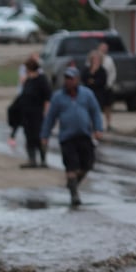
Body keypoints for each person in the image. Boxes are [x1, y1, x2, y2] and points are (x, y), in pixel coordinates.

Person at [40, 66, 104, 207]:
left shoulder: (87, 94)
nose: (68, 81)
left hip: (84, 135)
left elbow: (95, 112)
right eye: (66, 78)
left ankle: (72, 183)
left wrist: (98, 129)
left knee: (87, 164)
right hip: (67, 138)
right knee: (71, 166)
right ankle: (74, 195)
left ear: (77, 80)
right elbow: (50, 117)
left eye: (71, 79)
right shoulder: (58, 97)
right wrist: (45, 135)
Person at [13, 57, 52, 168]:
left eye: (26, 68)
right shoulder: (28, 81)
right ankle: (32, 160)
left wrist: (46, 113)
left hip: (38, 114)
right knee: (29, 136)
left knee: (39, 137)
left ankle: (43, 160)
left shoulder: (42, 80)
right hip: (27, 114)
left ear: (30, 68)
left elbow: (47, 97)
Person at [97, 41, 117, 130]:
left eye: (106, 47)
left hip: (107, 87)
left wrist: (109, 83)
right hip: (97, 88)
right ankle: (96, 124)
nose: (104, 49)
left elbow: (113, 72)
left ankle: (108, 124)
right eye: (103, 47)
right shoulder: (94, 58)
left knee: (108, 106)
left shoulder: (109, 59)